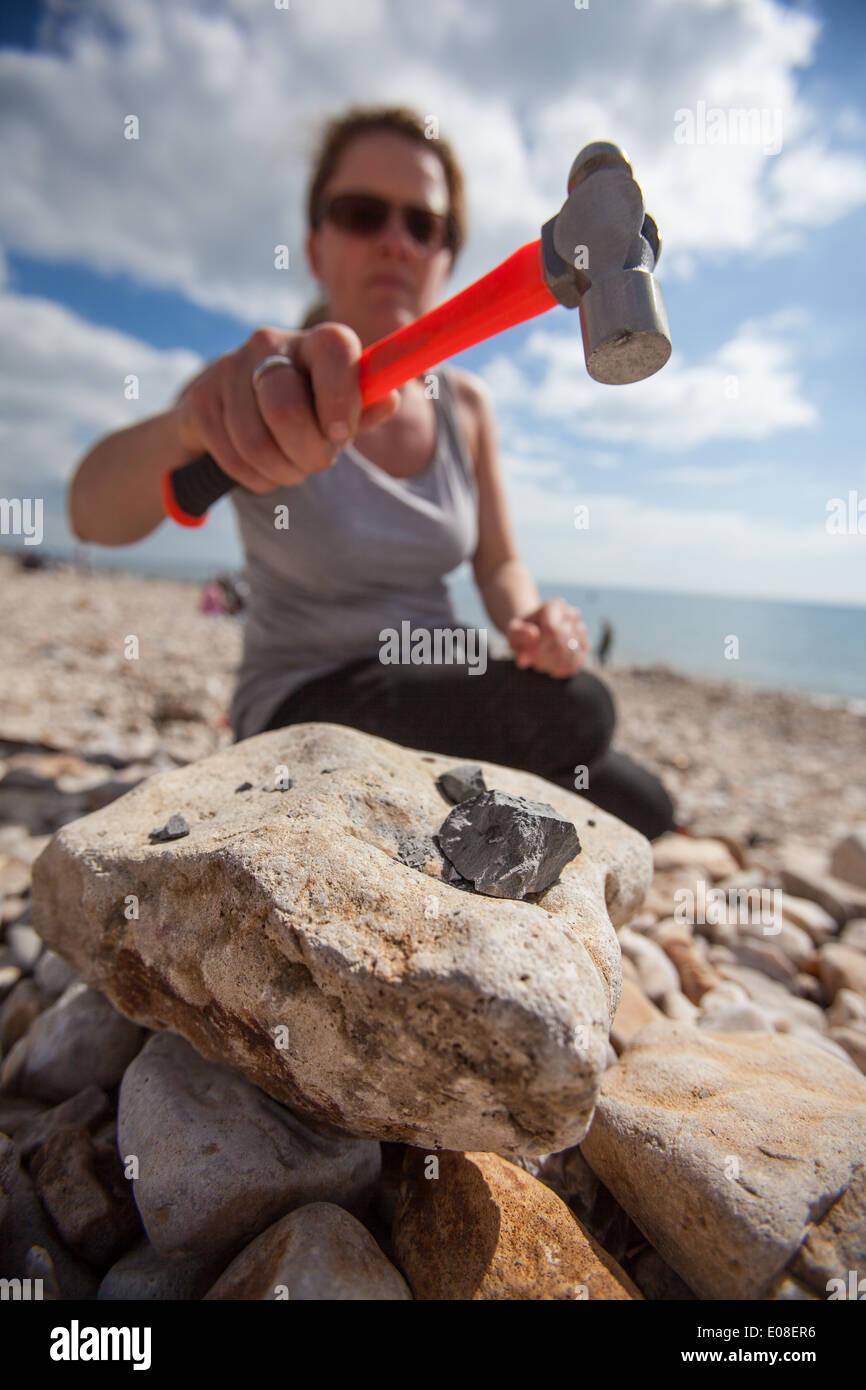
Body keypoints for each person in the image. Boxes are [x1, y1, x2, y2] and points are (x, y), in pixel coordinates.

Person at [67, 104, 675, 841]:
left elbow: (500, 562)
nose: (395, 242)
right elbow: (89, 514)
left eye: (423, 225)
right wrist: (184, 427)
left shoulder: (470, 407)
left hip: (445, 677)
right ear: (315, 247)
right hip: (306, 699)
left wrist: (530, 621)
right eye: (362, 214)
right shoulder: (262, 385)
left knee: (644, 803)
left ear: (448, 256)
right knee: (581, 716)